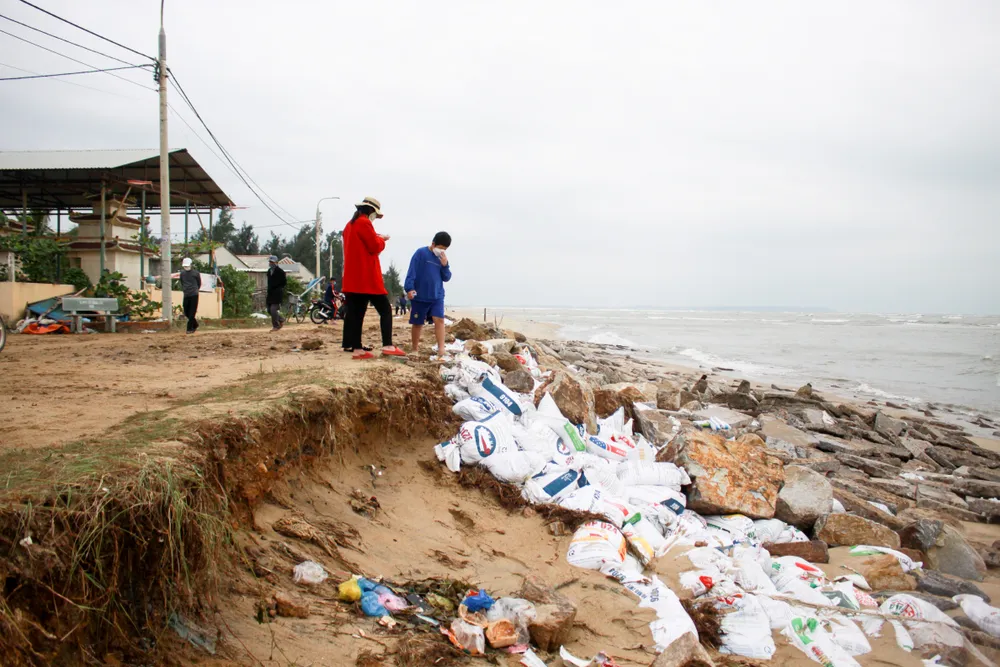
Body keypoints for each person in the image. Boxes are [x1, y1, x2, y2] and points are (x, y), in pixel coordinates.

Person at [341, 196, 406, 359]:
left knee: (357, 313)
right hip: (366, 276)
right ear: (371, 212)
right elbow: (374, 246)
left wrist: (376, 237)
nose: (375, 219)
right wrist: (381, 240)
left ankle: (357, 348)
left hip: (352, 276)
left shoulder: (349, 225)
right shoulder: (364, 223)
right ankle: (388, 345)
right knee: (385, 309)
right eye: (376, 216)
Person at [405, 231, 452, 356]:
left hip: (437, 295)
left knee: (439, 320)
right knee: (417, 323)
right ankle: (415, 349)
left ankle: (441, 350)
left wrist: (445, 265)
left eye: (445, 249)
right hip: (420, 295)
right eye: (440, 248)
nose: (441, 251)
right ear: (433, 243)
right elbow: (412, 271)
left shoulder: (442, 258)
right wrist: (409, 288)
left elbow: (446, 277)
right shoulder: (420, 253)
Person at [179, 257, 201, 334]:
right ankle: (195, 324)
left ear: (191, 265)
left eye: (187, 266)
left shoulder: (196, 273)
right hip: (186, 294)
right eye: (185, 266)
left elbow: (199, 283)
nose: (186, 267)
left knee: (192, 312)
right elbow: (182, 282)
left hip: (194, 294)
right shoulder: (182, 274)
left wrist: (195, 289)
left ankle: (189, 328)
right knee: (186, 311)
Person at [266, 255, 286, 332]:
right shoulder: (269, 271)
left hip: (277, 294)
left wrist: (277, 288)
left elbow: (284, 283)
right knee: (268, 309)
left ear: (276, 263)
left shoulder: (280, 272)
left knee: (273, 309)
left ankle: (276, 325)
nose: (271, 263)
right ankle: (281, 319)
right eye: (270, 262)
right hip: (270, 293)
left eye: (272, 262)